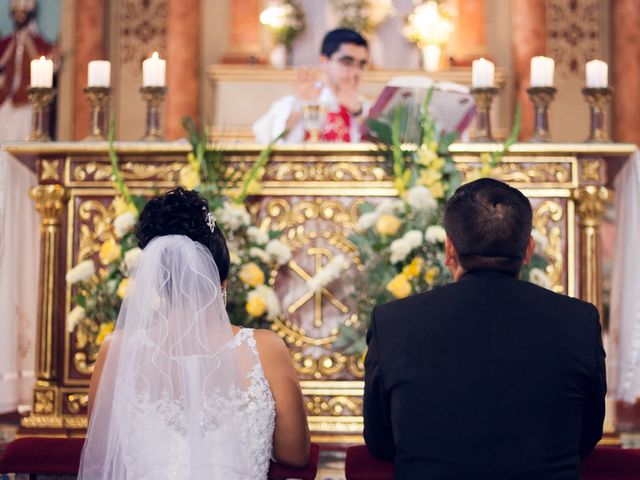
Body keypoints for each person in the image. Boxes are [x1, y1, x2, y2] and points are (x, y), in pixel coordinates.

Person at [363, 178, 606, 479]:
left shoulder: (393, 322)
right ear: (529, 249)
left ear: (449, 249)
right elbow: (587, 434)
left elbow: (380, 441)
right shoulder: (579, 321)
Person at [79, 188, 309, 479]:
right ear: (222, 282)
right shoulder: (265, 348)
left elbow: (103, 450)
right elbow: (295, 454)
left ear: (157, 281)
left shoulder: (117, 349)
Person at [253, 28, 370, 144]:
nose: (355, 72)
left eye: (361, 65)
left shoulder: (365, 108)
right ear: (324, 61)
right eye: (347, 62)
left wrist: (358, 113)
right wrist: (301, 105)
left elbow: (381, 150)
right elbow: (267, 141)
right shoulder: (295, 102)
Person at [0, 0, 54, 142]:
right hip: (6, 99)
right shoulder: (8, 42)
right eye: (16, 13)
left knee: (25, 137)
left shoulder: (37, 42)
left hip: (27, 100)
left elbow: (47, 62)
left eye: (22, 13)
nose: (19, 16)